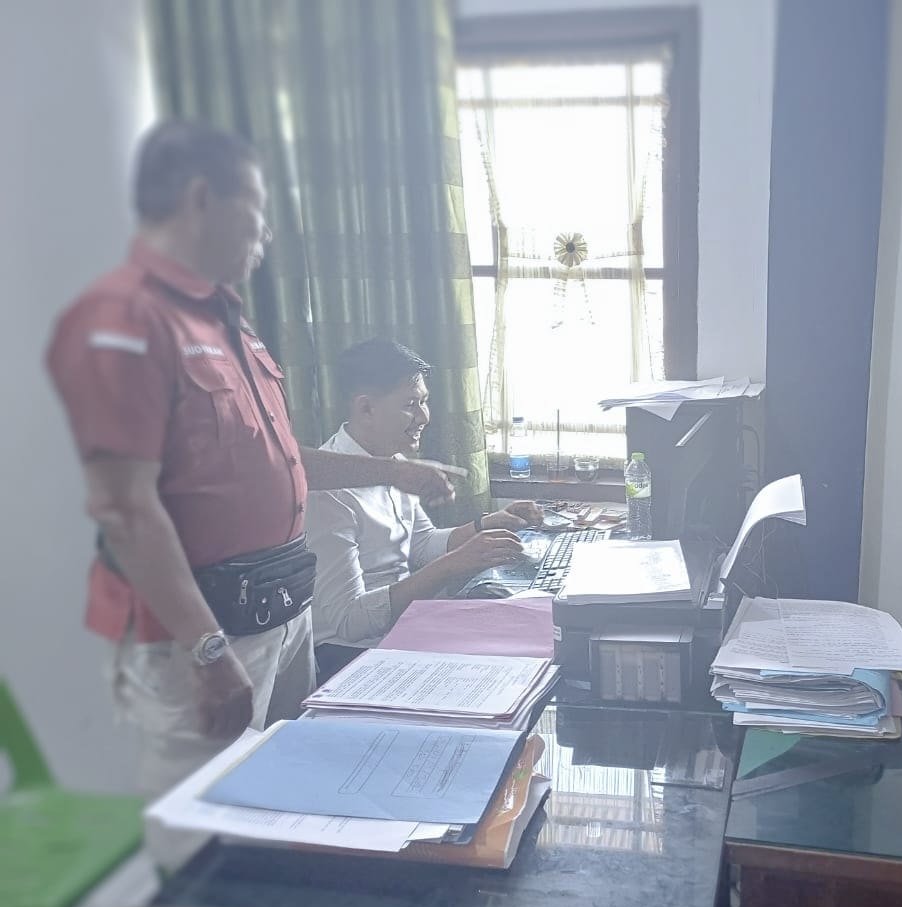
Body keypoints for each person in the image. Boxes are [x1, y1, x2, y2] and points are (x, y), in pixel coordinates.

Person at [46, 120, 461, 795]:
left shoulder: (227, 323)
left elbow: (281, 462)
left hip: (283, 609)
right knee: (205, 813)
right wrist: (204, 646)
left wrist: (394, 472)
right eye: (257, 211)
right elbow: (126, 508)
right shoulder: (129, 322)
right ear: (201, 200)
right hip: (209, 629)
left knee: (290, 793)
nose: (267, 234)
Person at [307, 338, 545, 681]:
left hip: (401, 631)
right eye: (410, 405)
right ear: (366, 409)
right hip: (350, 655)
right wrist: (453, 565)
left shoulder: (394, 462)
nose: (423, 417)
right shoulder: (327, 492)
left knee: (530, 631)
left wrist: (487, 524)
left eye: (424, 401)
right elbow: (350, 621)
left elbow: (421, 544)